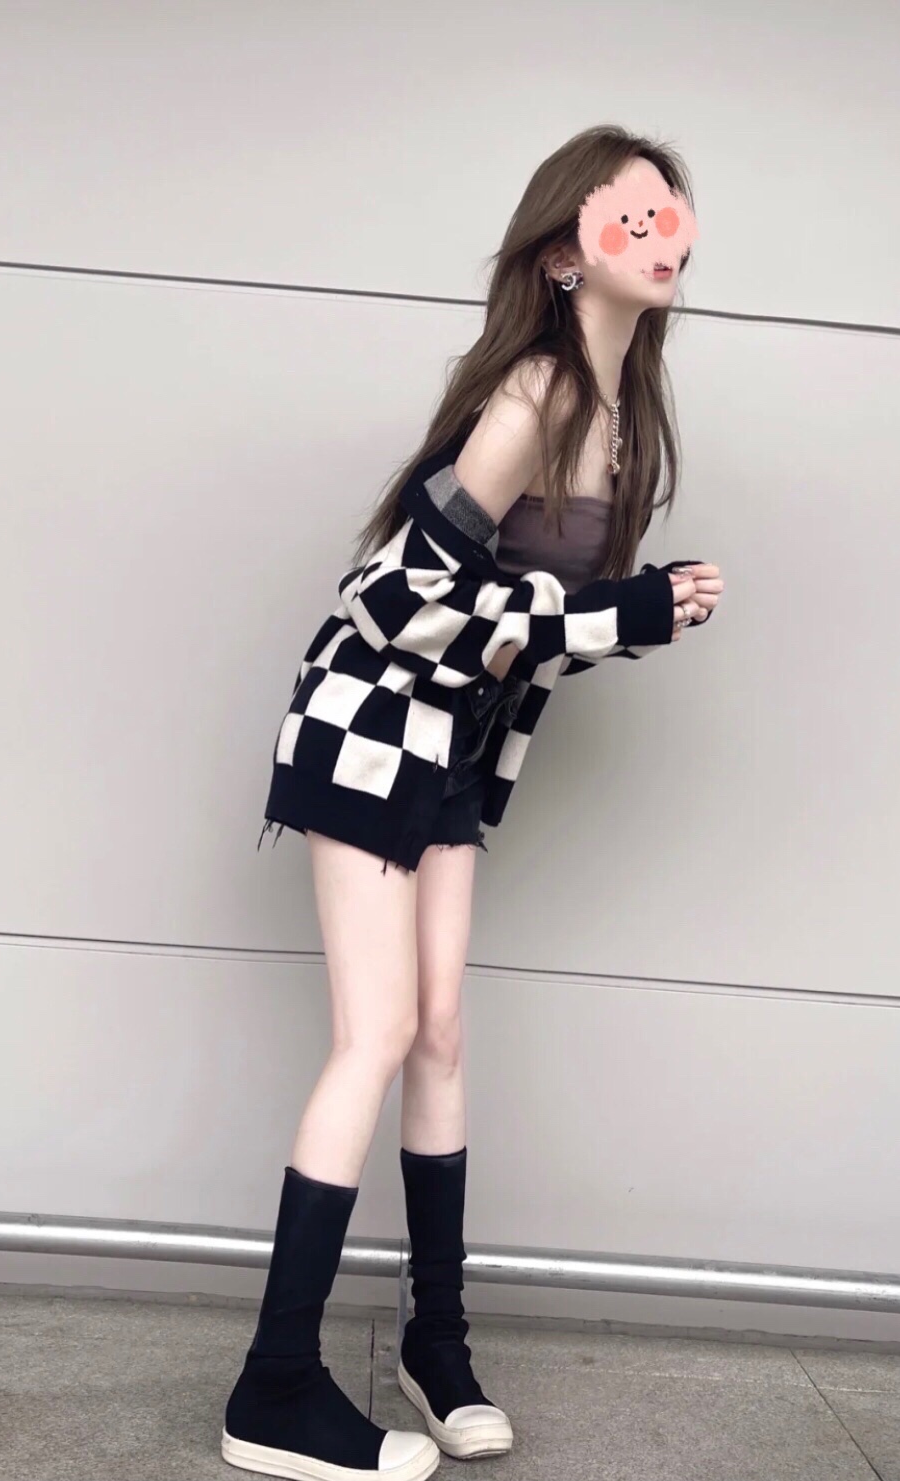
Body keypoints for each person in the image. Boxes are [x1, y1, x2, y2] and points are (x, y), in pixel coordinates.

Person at [222, 123, 725, 1481]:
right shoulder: (535, 393)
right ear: (565, 250)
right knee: (378, 1032)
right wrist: (616, 611)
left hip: (451, 743)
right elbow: (397, 604)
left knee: (439, 1031)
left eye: (671, 216)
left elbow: (517, 633)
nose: (660, 237)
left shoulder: (620, 415)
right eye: (630, 217)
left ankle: (434, 1344)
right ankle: (273, 1385)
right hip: (369, 726)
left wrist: (641, 613)